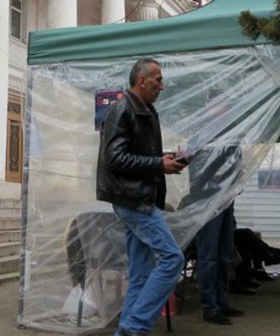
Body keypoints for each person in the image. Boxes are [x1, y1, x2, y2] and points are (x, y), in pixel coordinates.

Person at [96, 58, 187, 336]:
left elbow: (136, 155)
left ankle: (126, 332)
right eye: (158, 79)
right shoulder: (123, 109)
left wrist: (165, 159)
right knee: (173, 260)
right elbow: (114, 159)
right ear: (141, 80)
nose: (163, 85)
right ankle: (134, 328)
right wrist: (158, 164)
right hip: (133, 200)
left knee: (140, 275)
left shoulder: (145, 110)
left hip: (137, 198)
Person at [188, 144, 244, 325]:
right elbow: (197, 175)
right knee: (209, 256)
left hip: (226, 201)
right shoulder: (203, 138)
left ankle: (221, 301)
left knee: (224, 254)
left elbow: (238, 166)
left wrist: (235, 183)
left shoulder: (232, 140)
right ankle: (210, 307)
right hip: (208, 204)